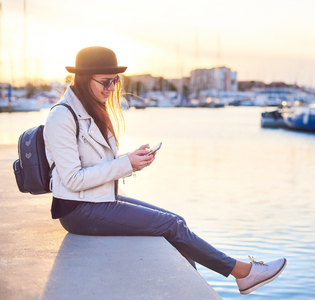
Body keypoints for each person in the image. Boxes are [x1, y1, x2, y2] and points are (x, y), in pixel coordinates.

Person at [43, 46, 286, 295]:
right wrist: (126, 164)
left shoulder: (90, 108)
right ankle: (242, 272)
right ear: (84, 79)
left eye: (115, 81)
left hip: (97, 199)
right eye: (105, 82)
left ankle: (194, 291)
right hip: (78, 209)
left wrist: (131, 159)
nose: (111, 88)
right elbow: (72, 179)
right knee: (171, 225)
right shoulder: (61, 117)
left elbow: (95, 164)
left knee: (176, 222)